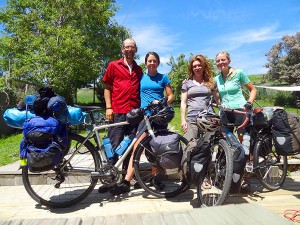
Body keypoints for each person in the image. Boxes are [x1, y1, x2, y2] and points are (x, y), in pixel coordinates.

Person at [109, 51, 174, 195]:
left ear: (158, 62)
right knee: (137, 147)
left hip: (159, 117)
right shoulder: (141, 77)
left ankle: (155, 178)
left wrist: (163, 102)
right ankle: (126, 181)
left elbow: (171, 95)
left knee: (157, 149)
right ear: (146, 63)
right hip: (145, 117)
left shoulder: (163, 77)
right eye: (149, 61)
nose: (152, 63)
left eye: (154, 61)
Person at [98, 38, 143, 193]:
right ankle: (109, 180)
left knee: (128, 147)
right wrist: (108, 107)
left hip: (134, 113)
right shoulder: (113, 65)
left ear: (136, 50)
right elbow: (107, 87)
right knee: (113, 145)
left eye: (132, 47)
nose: (129, 49)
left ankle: (124, 182)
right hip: (117, 111)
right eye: (127, 47)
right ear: (122, 49)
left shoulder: (138, 69)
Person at [214, 51, 257, 192]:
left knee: (243, 143)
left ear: (229, 60)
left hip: (240, 110)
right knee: (225, 143)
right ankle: (226, 175)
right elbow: (216, 92)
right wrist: (218, 103)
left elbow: (252, 89)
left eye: (223, 60)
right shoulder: (217, 78)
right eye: (218, 61)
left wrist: (249, 103)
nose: (221, 63)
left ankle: (245, 178)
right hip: (226, 113)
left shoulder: (239, 73)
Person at [180, 54, 220, 141]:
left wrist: (222, 112)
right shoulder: (186, 83)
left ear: (203, 66)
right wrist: (183, 120)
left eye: (199, 65)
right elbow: (183, 103)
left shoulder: (211, 82)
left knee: (208, 146)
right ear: (192, 68)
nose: (197, 68)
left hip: (208, 119)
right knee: (189, 144)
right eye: (194, 66)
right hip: (192, 118)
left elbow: (218, 100)